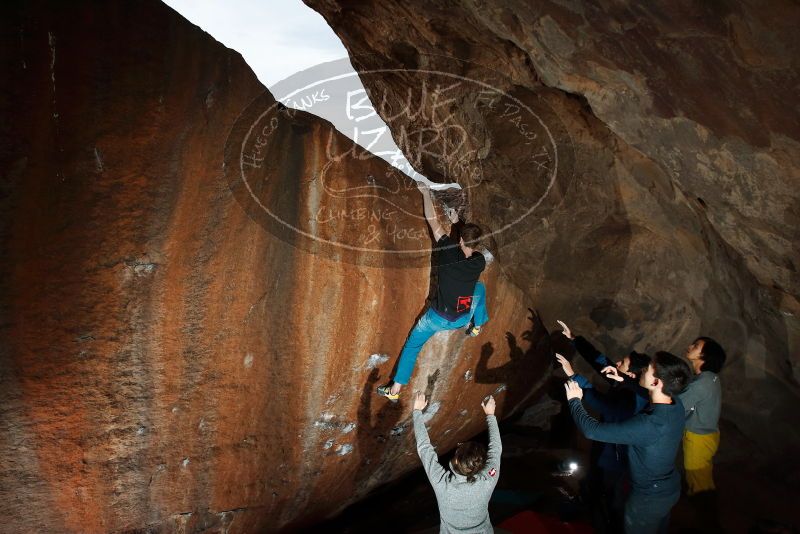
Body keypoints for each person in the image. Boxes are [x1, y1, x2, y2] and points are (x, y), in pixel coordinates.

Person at [378, 182, 488, 402]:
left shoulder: (448, 252)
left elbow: (432, 221)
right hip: (461, 318)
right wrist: (457, 221)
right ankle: (477, 325)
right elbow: (468, 242)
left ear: (459, 240)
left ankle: (395, 390)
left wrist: (425, 193)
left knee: (413, 345)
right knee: (480, 288)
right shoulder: (479, 261)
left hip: (438, 318)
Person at [565, 352, 692, 534]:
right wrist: (624, 380)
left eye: (647, 370)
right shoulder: (675, 404)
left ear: (656, 382)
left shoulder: (650, 425)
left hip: (648, 498)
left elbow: (592, 430)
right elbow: (646, 391)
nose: (642, 371)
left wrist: (574, 400)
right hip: (668, 487)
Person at [554, 322, 650, 533]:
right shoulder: (623, 381)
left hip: (616, 459)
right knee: (594, 485)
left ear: (632, 374)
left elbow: (602, 403)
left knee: (611, 500)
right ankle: (587, 511)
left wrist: (573, 375)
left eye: (622, 362)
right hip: (605, 447)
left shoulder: (632, 398)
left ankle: (607, 525)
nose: (616, 363)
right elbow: (599, 360)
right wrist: (574, 338)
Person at [412, 393, 501, 533]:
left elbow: (424, 448)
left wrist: (417, 412)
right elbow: (496, 449)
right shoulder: (488, 480)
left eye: (459, 448)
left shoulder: (443, 484)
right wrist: (491, 415)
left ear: (458, 460)